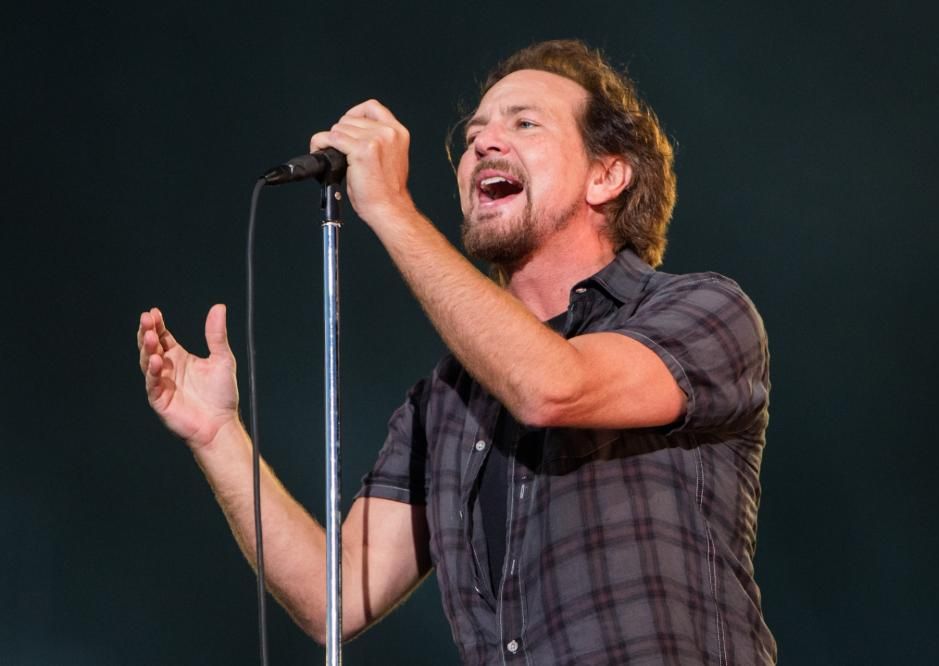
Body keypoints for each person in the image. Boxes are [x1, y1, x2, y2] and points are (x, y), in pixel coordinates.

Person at [137, 40, 776, 665]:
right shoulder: (446, 401)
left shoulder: (700, 310)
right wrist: (217, 435)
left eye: (524, 123)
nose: (483, 143)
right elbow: (337, 597)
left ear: (606, 175)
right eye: (473, 135)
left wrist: (390, 208)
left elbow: (553, 387)